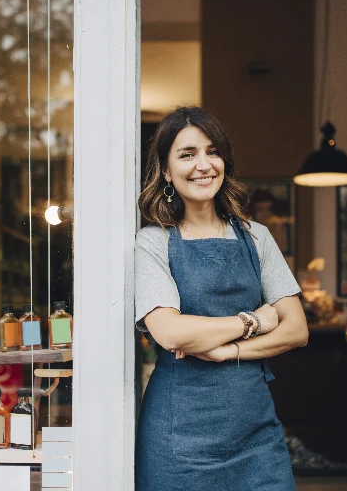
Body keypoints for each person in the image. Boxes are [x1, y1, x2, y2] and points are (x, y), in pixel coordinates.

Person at [135, 106, 308, 491]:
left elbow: (296, 329)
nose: (203, 165)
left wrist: (230, 352)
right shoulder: (153, 241)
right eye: (187, 154)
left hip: (256, 435)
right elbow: (171, 332)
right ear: (165, 169)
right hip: (178, 440)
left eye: (213, 152)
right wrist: (256, 321)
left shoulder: (257, 237)